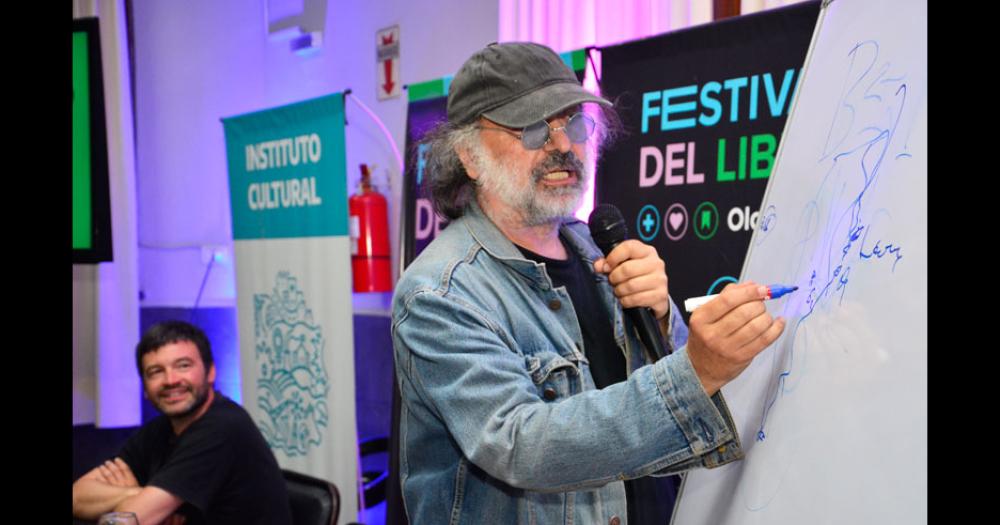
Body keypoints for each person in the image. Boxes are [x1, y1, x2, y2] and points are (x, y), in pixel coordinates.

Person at [391, 42, 787, 524]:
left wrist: (661, 321)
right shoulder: (439, 292)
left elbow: (661, 410)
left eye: (573, 124)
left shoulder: (596, 249)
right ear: (469, 157)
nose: (562, 146)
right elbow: (521, 444)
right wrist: (695, 372)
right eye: (533, 128)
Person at [72, 321, 292, 525]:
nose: (171, 380)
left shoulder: (224, 428)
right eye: (156, 371)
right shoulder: (161, 428)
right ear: (145, 388)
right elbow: (77, 497)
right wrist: (138, 493)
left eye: (183, 365)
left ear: (211, 372)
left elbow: (127, 521)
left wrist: (138, 504)